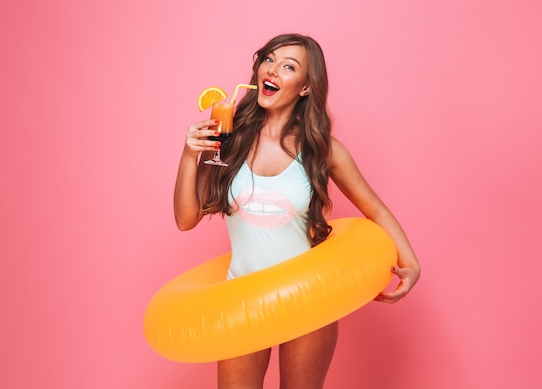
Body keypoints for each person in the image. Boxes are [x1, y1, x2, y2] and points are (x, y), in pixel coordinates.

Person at [173, 33, 420, 389]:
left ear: (305, 87)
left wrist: (412, 264)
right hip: (241, 299)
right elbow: (185, 220)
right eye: (269, 59)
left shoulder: (323, 150)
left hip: (308, 297)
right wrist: (188, 155)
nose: (272, 69)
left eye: (289, 66)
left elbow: (376, 210)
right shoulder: (228, 141)